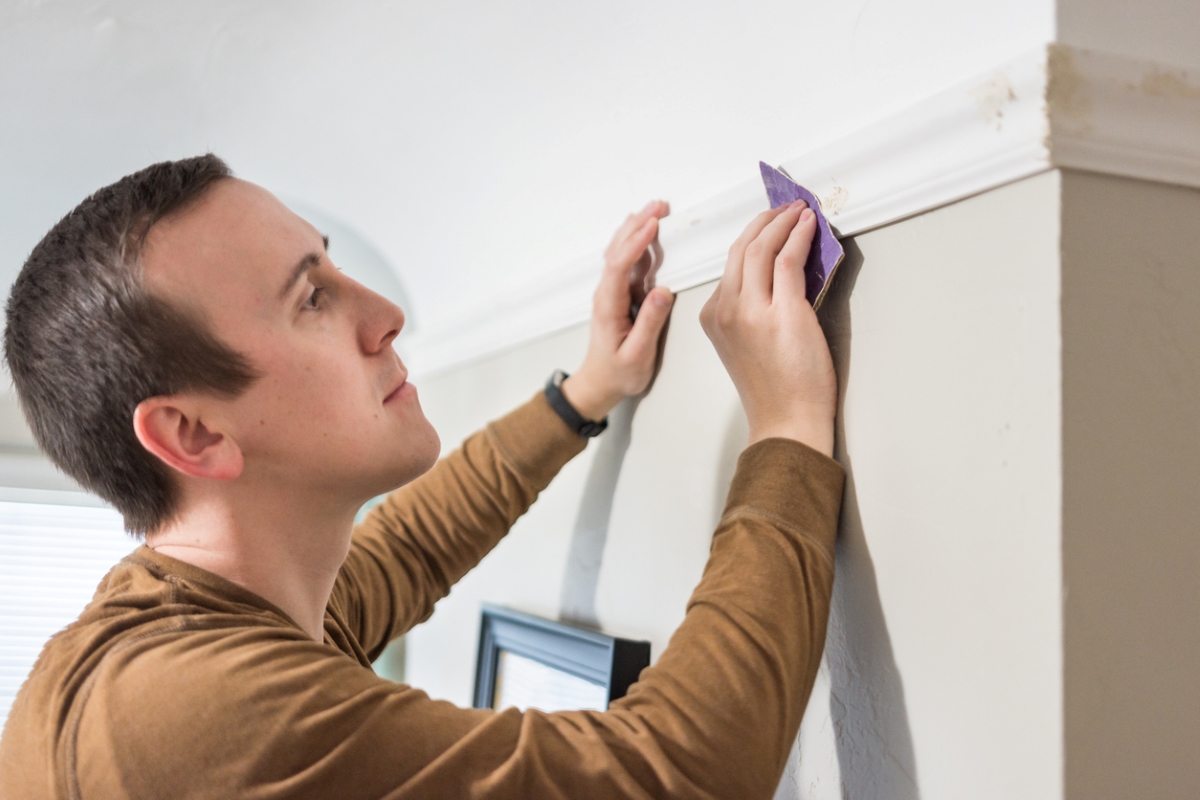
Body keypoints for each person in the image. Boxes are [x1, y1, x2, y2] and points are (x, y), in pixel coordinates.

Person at [0, 154, 843, 799]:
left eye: (330, 266)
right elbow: (675, 777)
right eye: (312, 299)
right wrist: (788, 427)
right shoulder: (192, 714)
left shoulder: (189, 620)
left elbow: (407, 547)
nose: (385, 313)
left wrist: (589, 389)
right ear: (191, 432)